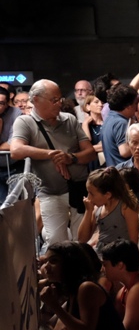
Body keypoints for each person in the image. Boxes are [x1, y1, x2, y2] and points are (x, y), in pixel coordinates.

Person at [10, 79, 97, 250]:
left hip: (79, 188)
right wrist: (51, 154)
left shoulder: (70, 120)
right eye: (54, 100)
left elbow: (90, 153)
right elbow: (16, 150)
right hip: (50, 192)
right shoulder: (25, 122)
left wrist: (70, 158)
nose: (59, 104)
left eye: (60, 99)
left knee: (82, 241)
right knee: (57, 243)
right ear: (36, 100)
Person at [76, 166, 139, 247]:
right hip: (100, 252)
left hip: (119, 254)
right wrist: (88, 211)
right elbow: (82, 239)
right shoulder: (97, 209)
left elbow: (133, 242)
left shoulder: (126, 208)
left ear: (107, 195)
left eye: (92, 194)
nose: (88, 198)